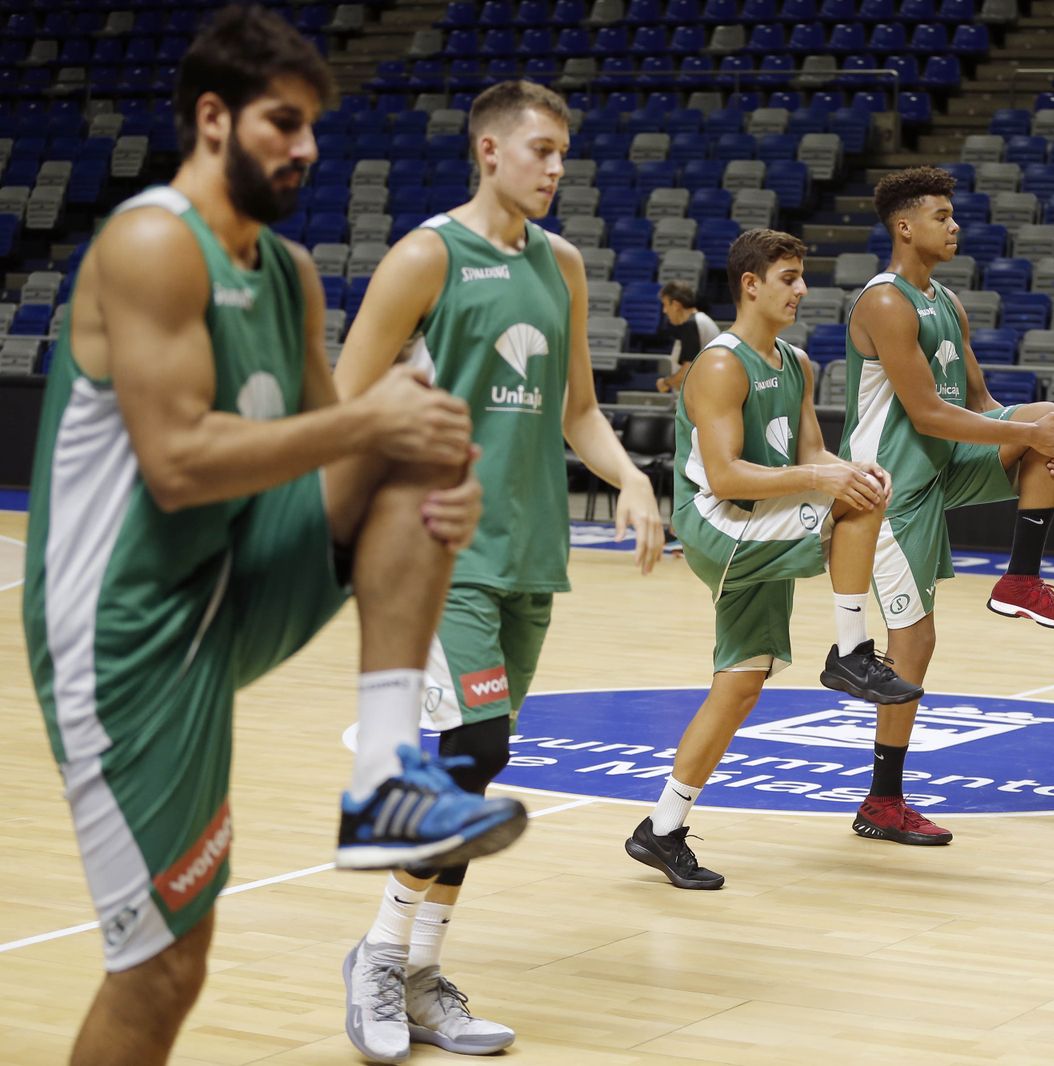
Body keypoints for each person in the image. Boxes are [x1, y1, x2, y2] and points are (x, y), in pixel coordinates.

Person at [20, 9, 529, 1064]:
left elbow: (323, 449)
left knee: (425, 429)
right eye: (281, 124)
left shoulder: (289, 271)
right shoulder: (153, 241)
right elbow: (176, 459)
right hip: (121, 634)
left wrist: (433, 485)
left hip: (229, 578)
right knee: (164, 967)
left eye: (311, 129)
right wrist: (372, 422)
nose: (303, 148)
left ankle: (386, 775)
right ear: (212, 119)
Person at [331, 80, 666, 1061]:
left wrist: (631, 474)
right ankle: (380, 963)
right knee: (468, 752)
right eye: (540, 151)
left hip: (530, 550)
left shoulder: (561, 265)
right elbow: (347, 399)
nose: (556, 169)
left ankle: (422, 975)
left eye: (564, 153)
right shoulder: (427, 256)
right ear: (488, 151)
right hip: (440, 549)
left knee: (479, 764)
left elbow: (576, 412)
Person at [625, 228, 921, 890]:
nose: (802, 289)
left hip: (762, 521)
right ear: (751, 285)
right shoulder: (721, 364)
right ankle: (850, 651)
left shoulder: (796, 363)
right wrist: (831, 486)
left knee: (740, 684)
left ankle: (661, 829)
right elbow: (726, 477)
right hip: (719, 525)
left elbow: (812, 455)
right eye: (789, 278)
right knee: (855, 507)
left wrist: (852, 469)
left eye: (802, 277)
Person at [839, 166, 1054, 844]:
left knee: (1053, 417)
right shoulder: (885, 303)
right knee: (914, 641)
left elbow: (979, 407)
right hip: (887, 487)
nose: (955, 226)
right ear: (905, 227)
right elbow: (925, 411)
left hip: (942, 467)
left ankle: (1021, 577)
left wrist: (1045, 440)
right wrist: (1025, 433)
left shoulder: (945, 301)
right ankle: (881, 803)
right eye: (942, 215)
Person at [655, 280, 720, 392]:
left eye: (665, 305)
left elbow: (687, 370)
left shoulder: (691, 325)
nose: (664, 311)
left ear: (676, 305)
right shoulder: (700, 320)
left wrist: (666, 382)